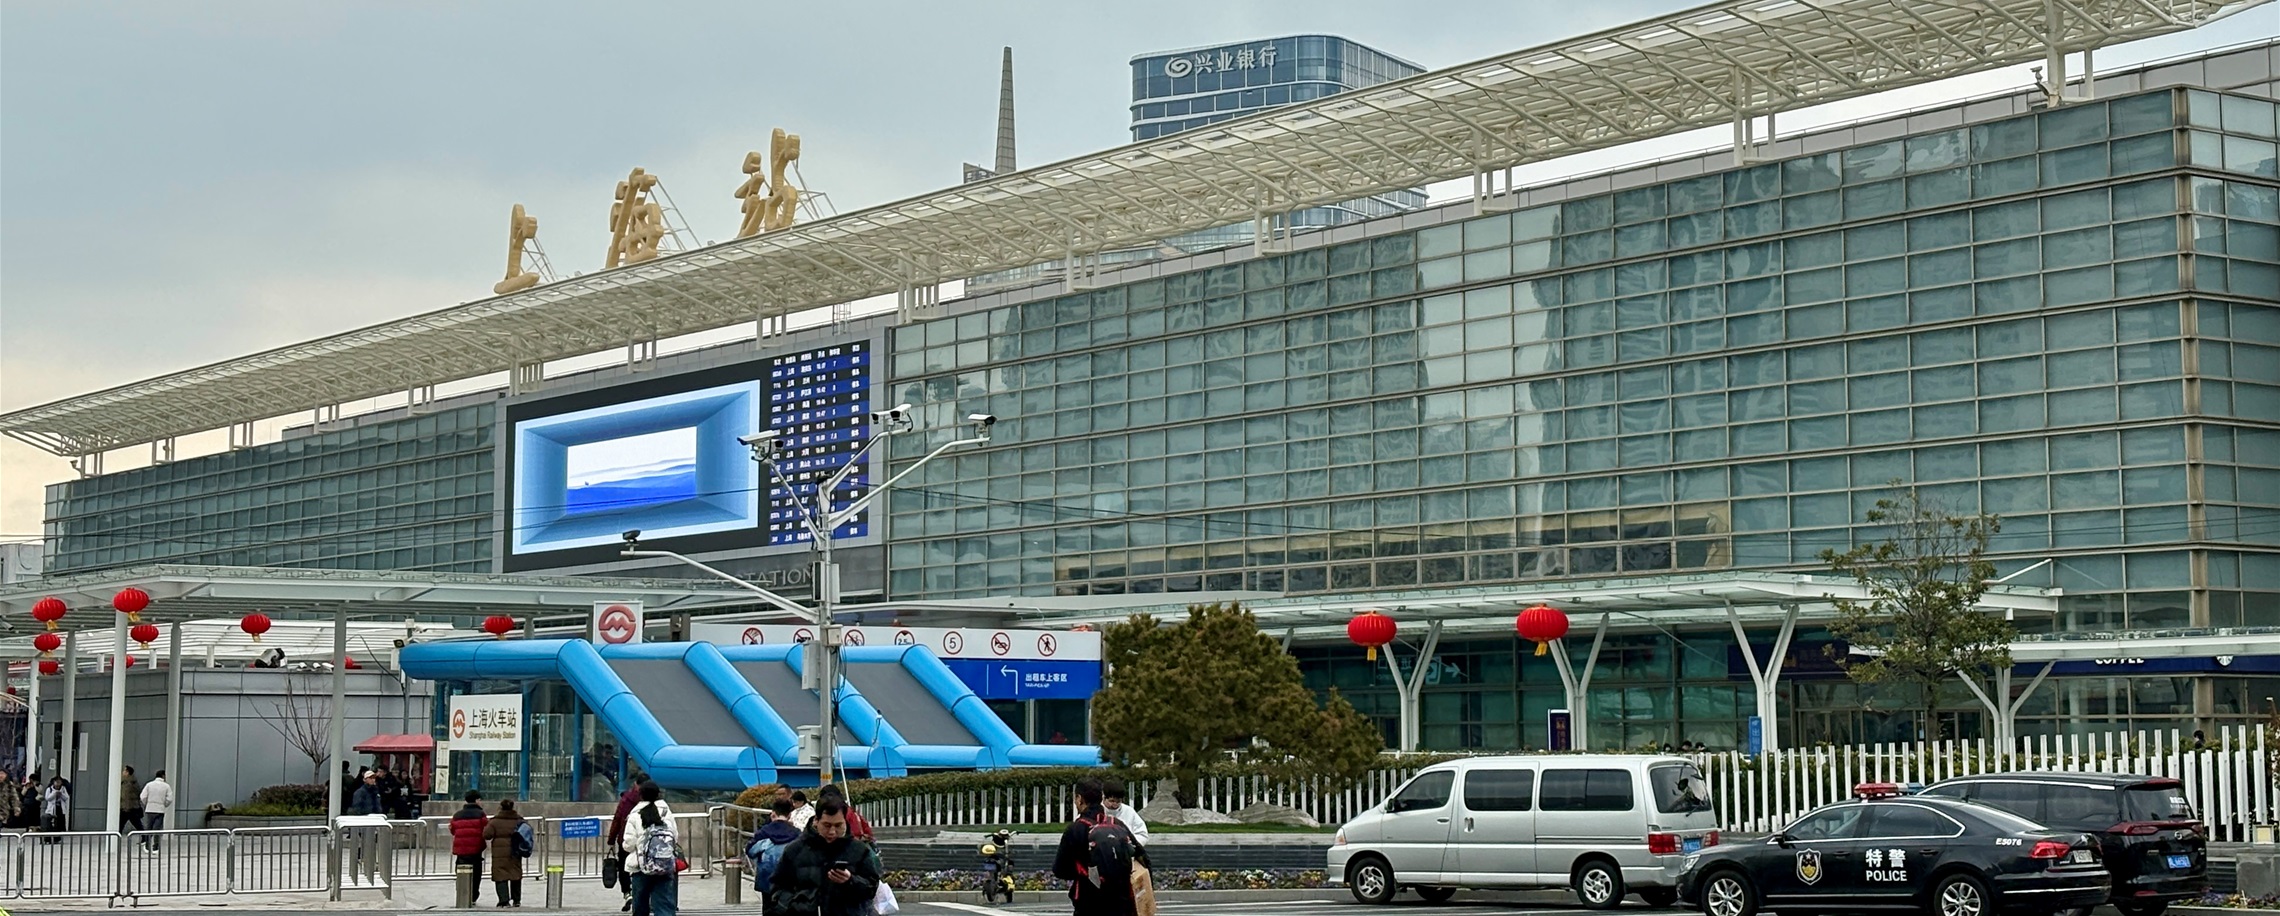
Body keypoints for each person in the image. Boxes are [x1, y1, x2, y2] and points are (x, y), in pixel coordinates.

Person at [768, 799, 881, 916]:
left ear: (845, 822)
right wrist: (793, 906)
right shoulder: (795, 850)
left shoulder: (859, 850)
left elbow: (871, 888)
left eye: (838, 825)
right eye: (827, 825)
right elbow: (777, 886)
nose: (832, 832)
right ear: (816, 821)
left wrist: (850, 881)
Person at [1052, 778, 1137, 916]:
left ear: (1079, 799)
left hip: (1088, 902)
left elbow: (1060, 870)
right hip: (1121, 903)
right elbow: (1141, 858)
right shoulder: (1117, 825)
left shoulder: (1076, 829)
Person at [621, 785, 678, 916]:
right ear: (659, 795)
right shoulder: (666, 813)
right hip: (664, 865)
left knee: (640, 907)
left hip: (640, 867)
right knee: (665, 906)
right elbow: (674, 837)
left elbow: (629, 844)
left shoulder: (635, 815)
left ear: (641, 796)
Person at [748, 799, 803, 912]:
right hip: (791, 880)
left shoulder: (763, 833)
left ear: (773, 813)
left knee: (768, 908)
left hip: (766, 879)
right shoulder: (797, 834)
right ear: (789, 815)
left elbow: (750, 851)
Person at [607, 780, 650, 912]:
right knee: (644, 868)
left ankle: (628, 893)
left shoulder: (626, 799)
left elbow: (617, 819)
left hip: (626, 840)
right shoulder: (653, 801)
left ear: (636, 784)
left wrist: (611, 840)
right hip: (647, 842)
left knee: (624, 868)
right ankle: (644, 897)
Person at [483, 798, 529, 907]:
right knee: (515, 874)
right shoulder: (519, 820)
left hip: (499, 852)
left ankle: (504, 901)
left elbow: (487, 835)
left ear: (500, 807)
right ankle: (516, 900)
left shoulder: (495, 821)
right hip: (515, 850)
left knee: (500, 875)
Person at [451, 792, 490, 905]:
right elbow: (486, 828)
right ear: (477, 800)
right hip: (476, 850)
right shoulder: (480, 814)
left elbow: (453, 830)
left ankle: (462, 894)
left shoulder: (457, 815)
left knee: (461, 872)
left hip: (461, 850)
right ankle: (473, 896)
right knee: (476, 875)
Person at [1102, 780, 1150, 845]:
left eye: (1118, 801)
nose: (1115, 804)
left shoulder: (1129, 811)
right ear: (1104, 797)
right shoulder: (1096, 811)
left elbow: (1142, 834)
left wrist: (1129, 843)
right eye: (1112, 801)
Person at [139, 770, 173, 851]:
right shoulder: (166, 786)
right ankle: (155, 847)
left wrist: (147, 803)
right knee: (157, 829)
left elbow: (143, 796)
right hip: (160, 809)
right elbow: (170, 799)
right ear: (163, 776)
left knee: (148, 828)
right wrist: (164, 804)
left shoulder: (149, 785)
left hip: (150, 809)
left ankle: (147, 846)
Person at [41, 776, 70, 844]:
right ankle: (48, 838)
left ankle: (57, 838)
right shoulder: (49, 789)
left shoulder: (63, 789)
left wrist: (61, 794)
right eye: (56, 782)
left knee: (59, 824)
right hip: (52, 809)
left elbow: (66, 798)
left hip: (60, 808)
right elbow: (47, 798)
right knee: (51, 823)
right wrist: (54, 794)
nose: (58, 784)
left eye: (59, 782)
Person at [119, 765, 145, 836]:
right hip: (132, 807)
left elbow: (126, 796)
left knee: (120, 826)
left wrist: (125, 808)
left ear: (127, 772)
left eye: (124, 771)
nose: (122, 772)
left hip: (127, 808)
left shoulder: (127, 783)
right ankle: (144, 839)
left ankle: (115, 841)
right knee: (138, 826)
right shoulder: (133, 782)